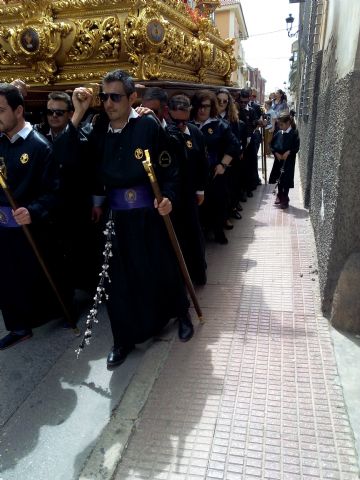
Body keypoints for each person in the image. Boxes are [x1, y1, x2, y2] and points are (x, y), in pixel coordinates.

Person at [84, 70, 193, 367]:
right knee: (118, 281)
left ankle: (181, 313)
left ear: (132, 97)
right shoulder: (99, 129)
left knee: (162, 267)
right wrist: (79, 111)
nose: (108, 103)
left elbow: (169, 166)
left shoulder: (147, 125)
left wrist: (168, 196)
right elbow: (80, 163)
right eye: (104, 97)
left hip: (149, 214)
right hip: (116, 217)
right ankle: (123, 340)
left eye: (116, 97)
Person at [0, 83, 68, 349]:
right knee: (5, 278)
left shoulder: (40, 147)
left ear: (18, 111)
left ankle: (61, 310)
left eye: (1, 110)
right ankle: (18, 326)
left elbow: (55, 193)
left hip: (30, 226)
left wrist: (34, 211)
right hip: (3, 226)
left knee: (37, 277)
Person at [34, 90, 99, 294]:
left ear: (70, 114)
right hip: (47, 206)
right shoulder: (38, 137)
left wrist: (96, 202)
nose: (53, 116)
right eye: (50, 112)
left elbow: (93, 172)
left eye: (59, 113)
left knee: (80, 250)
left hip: (75, 203)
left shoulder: (83, 136)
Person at [190, 90, 240, 245]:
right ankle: (202, 232)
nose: (202, 110)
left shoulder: (219, 125)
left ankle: (218, 231)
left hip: (215, 173)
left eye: (206, 106)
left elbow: (234, 145)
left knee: (218, 203)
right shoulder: (187, 125)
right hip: (195, 176)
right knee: (199, 206)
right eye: (199, 106)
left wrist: (223, 164)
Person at [216, 87, 246, 224]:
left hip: (229, 159)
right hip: (215, 157)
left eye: (225, 101)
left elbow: (236, 139)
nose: (222, 103)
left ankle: (229, 213)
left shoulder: (232, 119)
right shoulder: (210, 116)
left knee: (230, 188)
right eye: (219, 100)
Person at [269, 112, 300, 209]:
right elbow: (271, 145)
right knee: (279, 179)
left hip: (288, 161)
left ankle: (285, 198)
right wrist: (276, 153)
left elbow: (296, 146)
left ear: (288, 123)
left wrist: (288, 152)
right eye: (279, 125)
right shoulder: (278, 133)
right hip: (279, 161)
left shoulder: (294, 133)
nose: (280, 126)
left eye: (282, 124)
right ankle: (279, 195)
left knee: (286, 180)